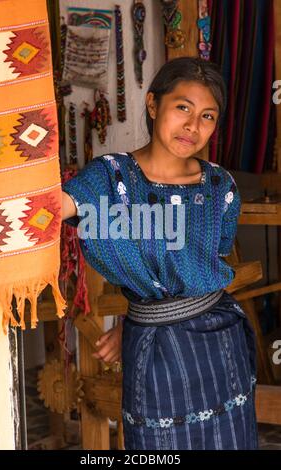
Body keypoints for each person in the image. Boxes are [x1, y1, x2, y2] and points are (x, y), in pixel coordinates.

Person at [61, 57, 258, 450]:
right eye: (182, 107)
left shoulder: (222, 186)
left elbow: (204, 267)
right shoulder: (111, 177)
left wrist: (142, 318)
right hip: (154, 356)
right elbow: (50, 209)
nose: (193, 126)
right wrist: (141, 318)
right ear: (153, 105)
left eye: (208, 116)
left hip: (220, 345)